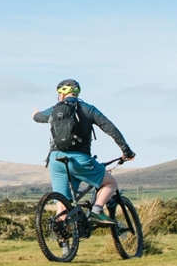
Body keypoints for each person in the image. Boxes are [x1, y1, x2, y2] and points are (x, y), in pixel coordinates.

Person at [32, 79, 135, 225]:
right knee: (110, 183)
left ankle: (64, 241)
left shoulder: (55, 110)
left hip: (56, 160)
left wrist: (35, 114)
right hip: (80, 160)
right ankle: (96, 211)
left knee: (62, 202)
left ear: (61, 95)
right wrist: (126, 151)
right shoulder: (88, 109)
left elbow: (38, 117)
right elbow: (111, 129)